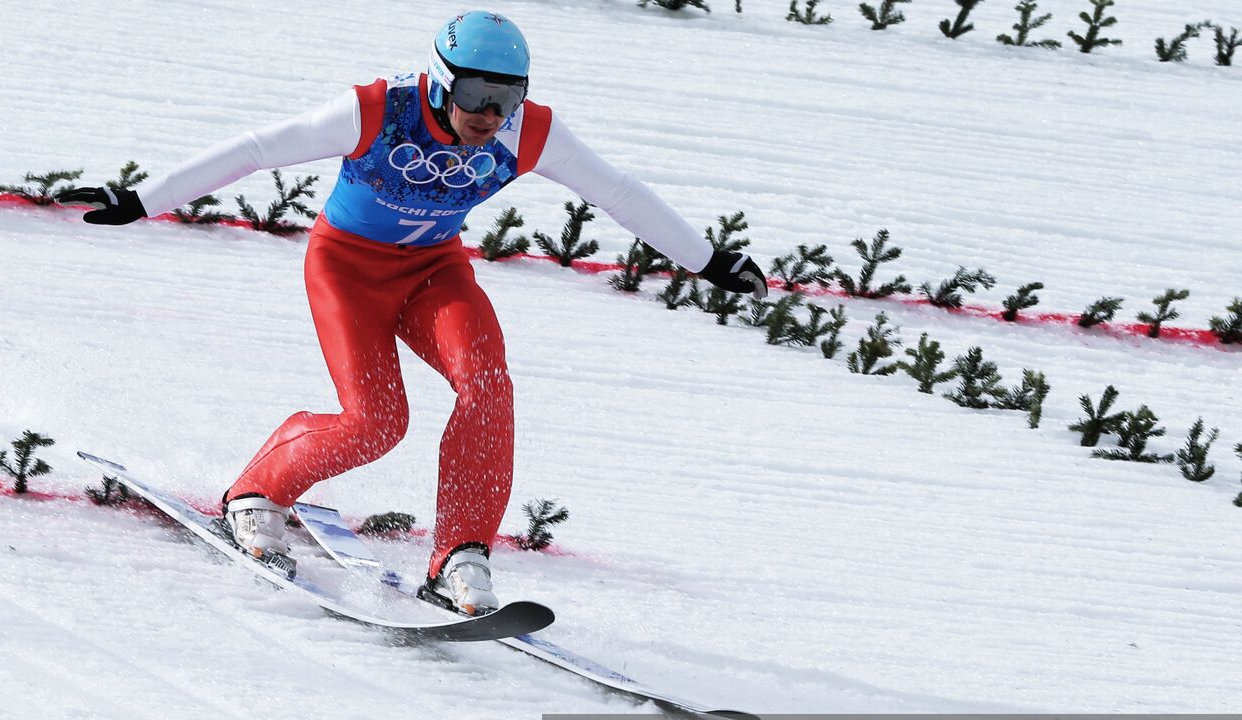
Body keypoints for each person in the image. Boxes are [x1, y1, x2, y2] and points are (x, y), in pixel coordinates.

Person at [59, 10, 767, 616]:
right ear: (439, 79)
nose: (491, 115)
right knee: (376, 423)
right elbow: (257, 150)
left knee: (487, 382)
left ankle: (459, 556)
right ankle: (256, 493)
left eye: (507, 98)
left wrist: (709, 260)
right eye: (476, 93)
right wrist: (142, 199)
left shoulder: (529, 133)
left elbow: (619, 192)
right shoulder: (376, 108)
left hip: (434, 271)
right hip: (347, 268)